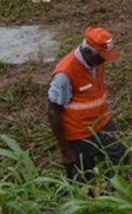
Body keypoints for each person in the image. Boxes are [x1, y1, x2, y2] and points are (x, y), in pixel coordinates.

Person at [48, 27, 127, 180]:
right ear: (88, 52)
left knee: (121, 160)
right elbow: (52, 111)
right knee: (84, 177)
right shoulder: (65, 73)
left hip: (103, 123)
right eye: (102, 56)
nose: (105, 60)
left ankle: (117, 196)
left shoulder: (95, 62)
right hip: (79, 133)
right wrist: (66, 150)